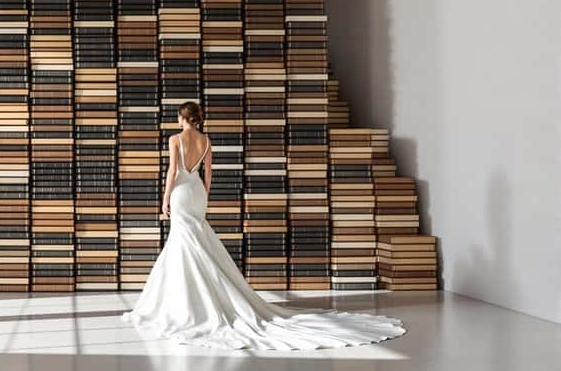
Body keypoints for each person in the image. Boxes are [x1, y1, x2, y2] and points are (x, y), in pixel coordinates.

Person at [122, 101, 406, 350]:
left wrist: (164, 200)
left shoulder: (175, 140)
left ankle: (187, 303)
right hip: (197, 194)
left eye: (178, 117)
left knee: (185, 242)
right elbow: (209, 176)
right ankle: (203, 294)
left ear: (182, 118)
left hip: (182, 192)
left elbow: (172, 171)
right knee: (195, 241)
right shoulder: (206, 141)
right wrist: (204, 197)